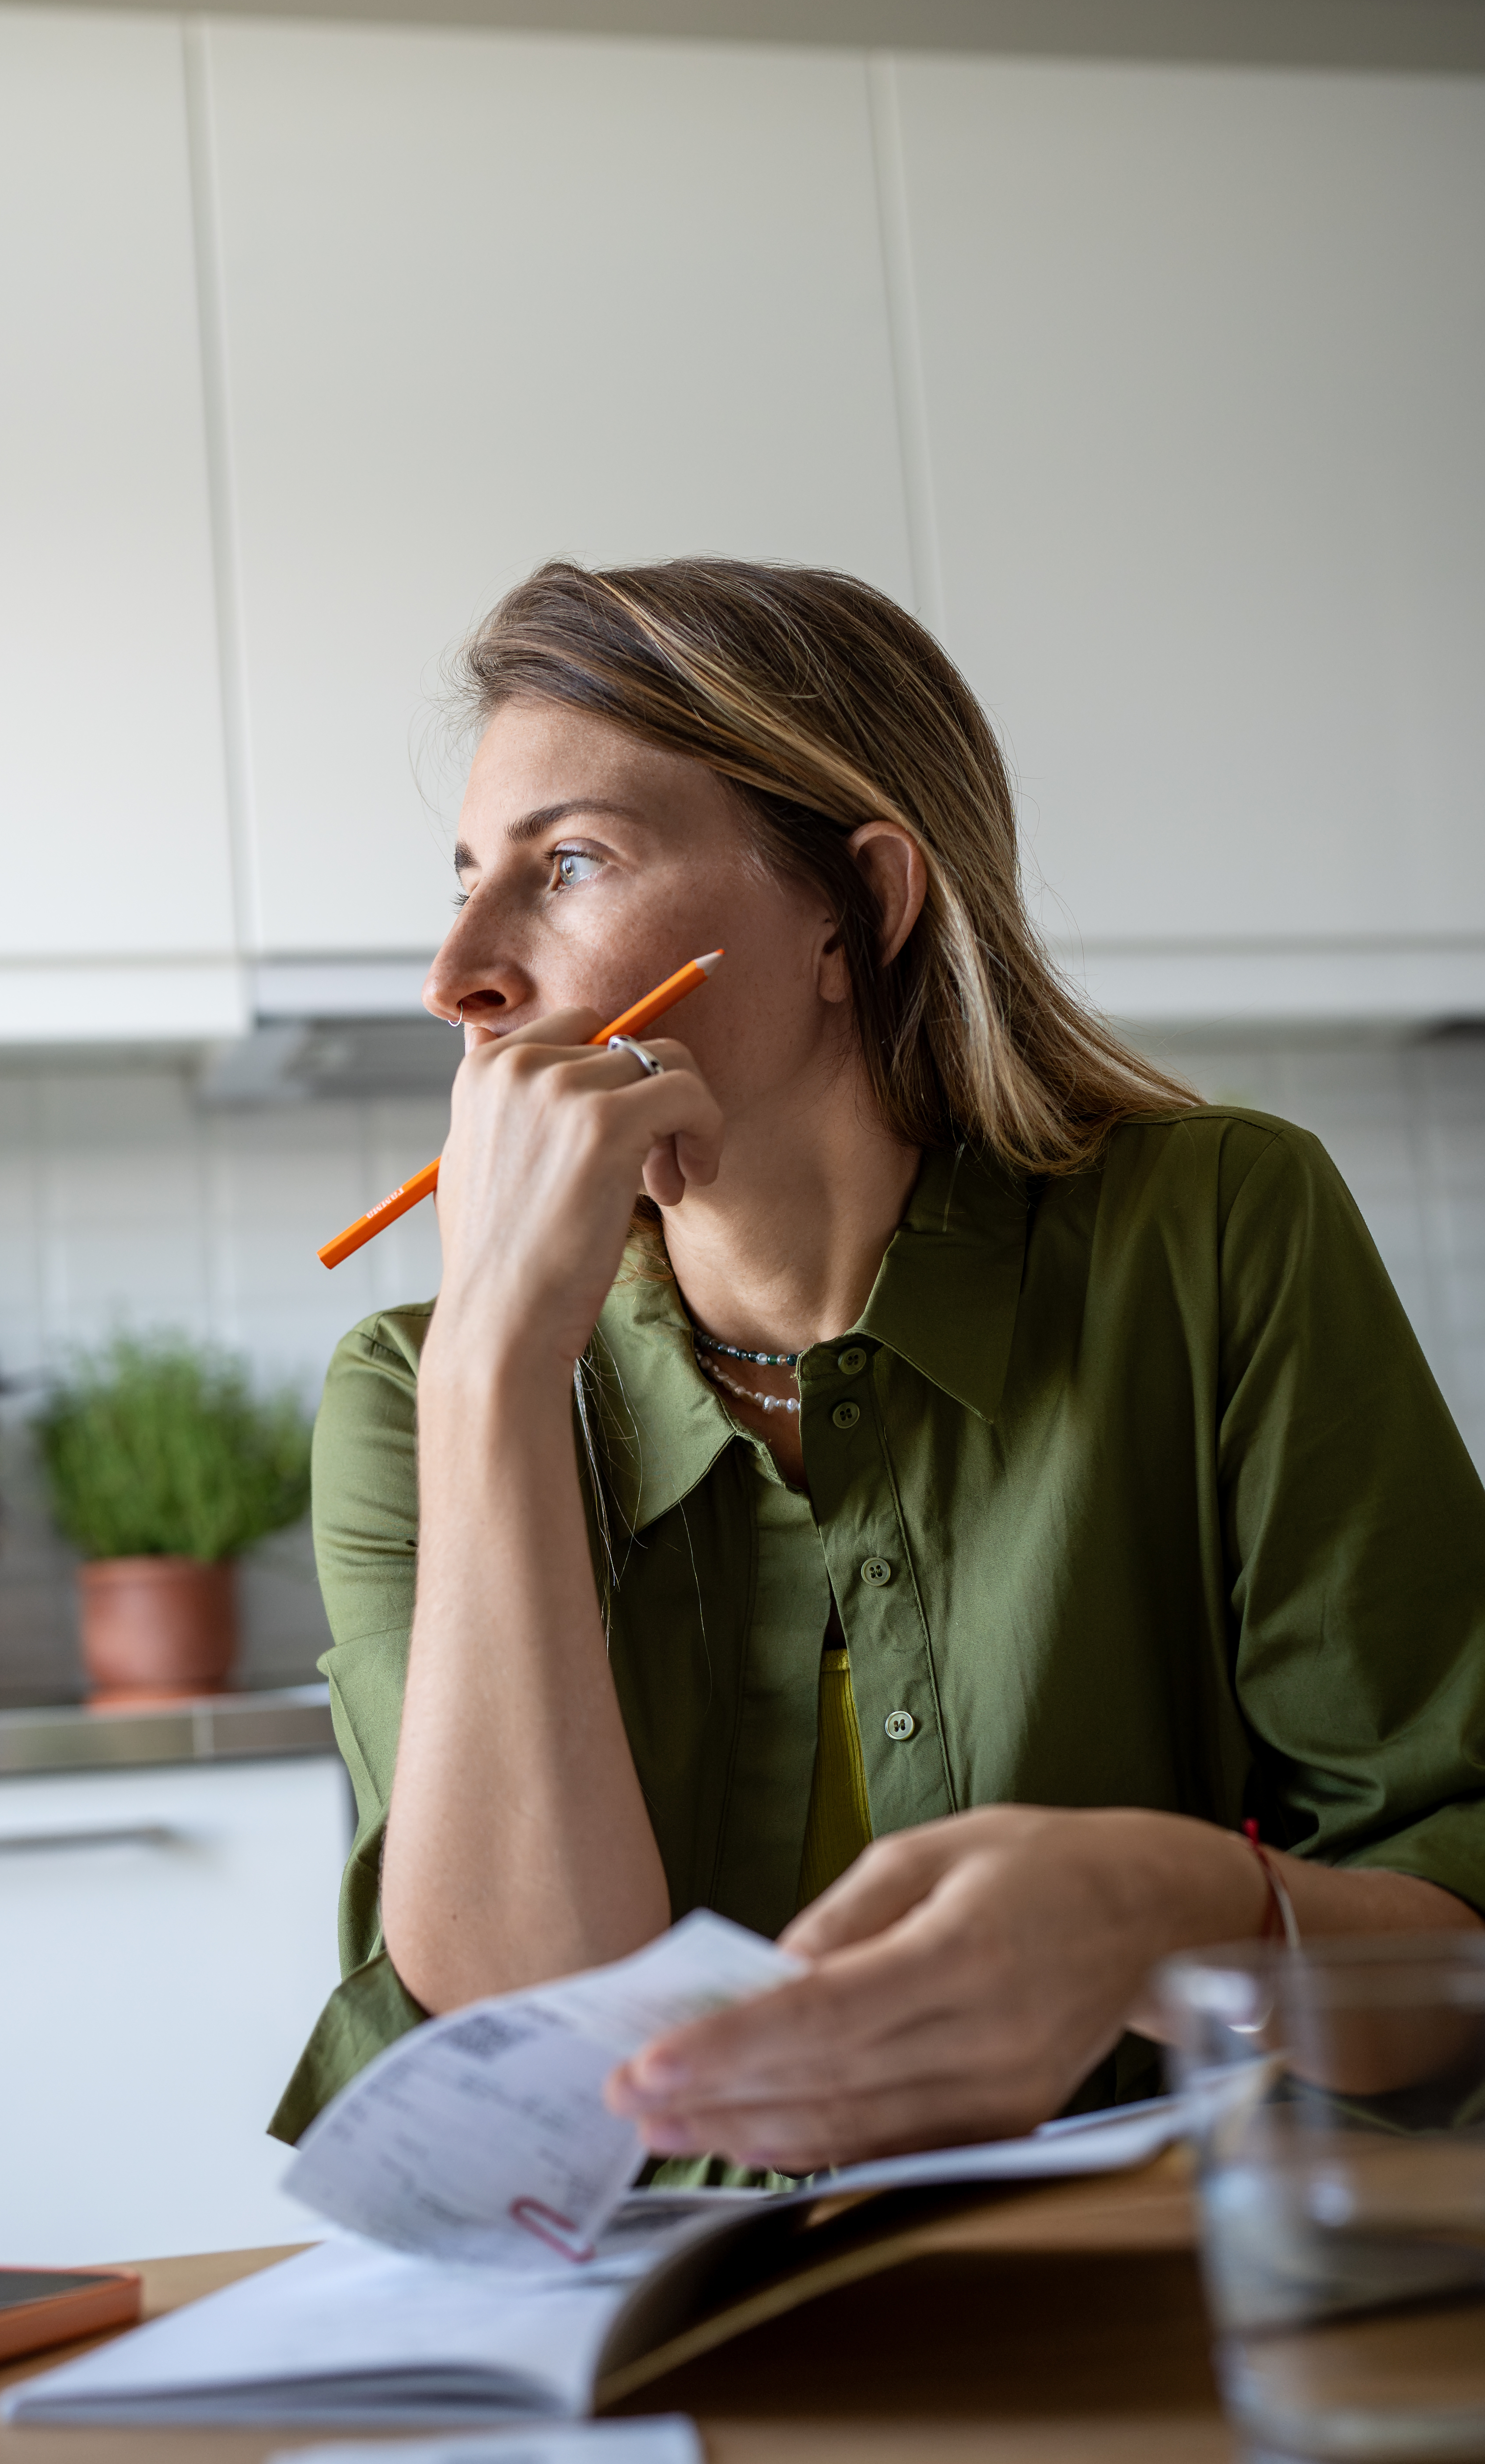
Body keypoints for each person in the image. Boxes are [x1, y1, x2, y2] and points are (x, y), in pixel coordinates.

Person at [271, 558, 1485, 2183]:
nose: (463, 977)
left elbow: (1450, 1947)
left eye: (568, 863)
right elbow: (532, 2098)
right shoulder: (409, 1393)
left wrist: (1192, 1911)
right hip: (674, 2359)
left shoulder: (1218, 1232)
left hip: (1143, 2321)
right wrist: (493, 1364)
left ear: (858, 912)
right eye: (464, 879)